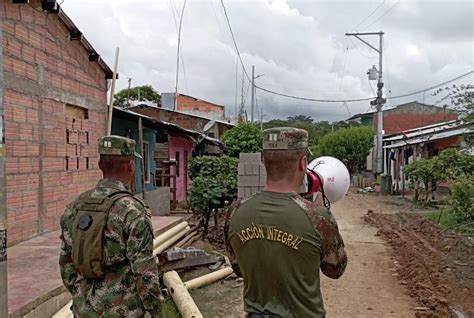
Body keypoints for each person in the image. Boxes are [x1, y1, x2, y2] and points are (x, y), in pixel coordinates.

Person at [225, 127, 347, 318]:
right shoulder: (318, 216)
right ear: (303, 162)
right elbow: (335, 270)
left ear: (263, 161)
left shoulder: (235, 211)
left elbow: (238, 268)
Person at [59, 135, 162, 317]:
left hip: (84, 309)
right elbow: (144, 273)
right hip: (123, 311)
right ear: (131, 166)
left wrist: (82, 299)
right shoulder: (132, 211)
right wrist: (156, 312)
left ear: (100, 165)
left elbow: (67, 265)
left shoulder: (74, 207)